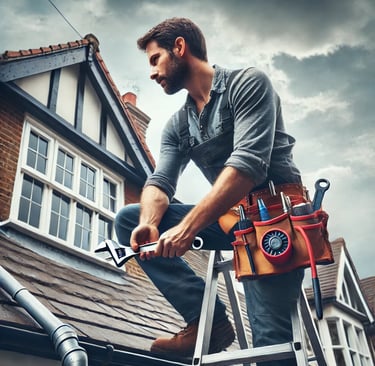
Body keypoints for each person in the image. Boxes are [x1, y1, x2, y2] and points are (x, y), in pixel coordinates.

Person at [115, 17, 304, 365]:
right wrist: (151, 221)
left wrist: (188, 229)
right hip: (230, 220)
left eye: (155, 60)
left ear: (180, 47)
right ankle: (209, 321)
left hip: (273, 219)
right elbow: (159, 183)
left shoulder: (247, 84)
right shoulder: (178, 125)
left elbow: (247, 167)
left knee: (269, 346)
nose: (152, 73)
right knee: (129, 220)